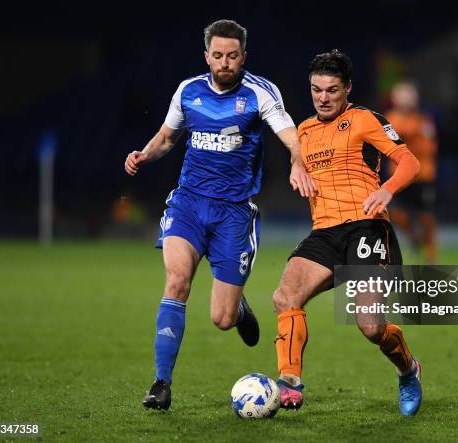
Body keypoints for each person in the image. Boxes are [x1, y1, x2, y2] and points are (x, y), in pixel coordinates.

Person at [124, 19, 315, 411]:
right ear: (206, 56)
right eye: (217, 56)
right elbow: (166, 138)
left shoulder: (260, 92)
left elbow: (290, 132)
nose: (224, 63)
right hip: (189, 204)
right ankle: (161, 383)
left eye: (232, 56)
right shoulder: (188, 91)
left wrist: (297, 161)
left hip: (233, 213)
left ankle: (239, 306)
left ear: (244, 56)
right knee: (177, 281)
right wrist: (144, 154)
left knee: (222, 319)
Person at [271, 50, 423, 416]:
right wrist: (296, 167)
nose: (323, 98)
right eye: (316, 90)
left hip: (367, 228)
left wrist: (387, 189)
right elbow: (297, 155)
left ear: (347, 89)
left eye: (332, 90)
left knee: (370, 326)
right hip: (324, 232)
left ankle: (408, 370)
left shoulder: (365, 119)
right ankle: (289, 382)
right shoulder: (304, 130)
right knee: (285, 296)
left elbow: (410, 161)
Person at [385, 81, 438, 263]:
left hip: (423, 175)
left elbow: (429, 146)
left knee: (426, 216)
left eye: (409, 95)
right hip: (399, 174)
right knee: (396, 213)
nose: (407, 99)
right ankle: (414, 236)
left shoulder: (423, 120)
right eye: (403, 95)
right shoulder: (390, 118)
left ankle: (431, 255)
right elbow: (390, 139)